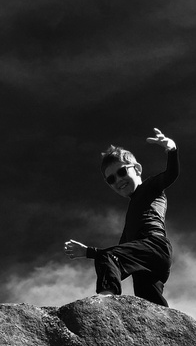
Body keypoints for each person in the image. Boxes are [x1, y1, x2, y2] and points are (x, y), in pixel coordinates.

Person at [65, 127, 178, 306]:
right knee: (148, 301)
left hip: (154, 245)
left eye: (122, 172)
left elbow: (171, 174)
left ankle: (106, 302)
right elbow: (118, 251)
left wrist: (171, 149)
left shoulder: (149, 188)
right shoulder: (131, 222)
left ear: (137, 169)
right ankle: (168, 328)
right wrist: (88, 252)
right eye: (111, 179)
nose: (118, 180)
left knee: (109, 258)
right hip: (149, 258)